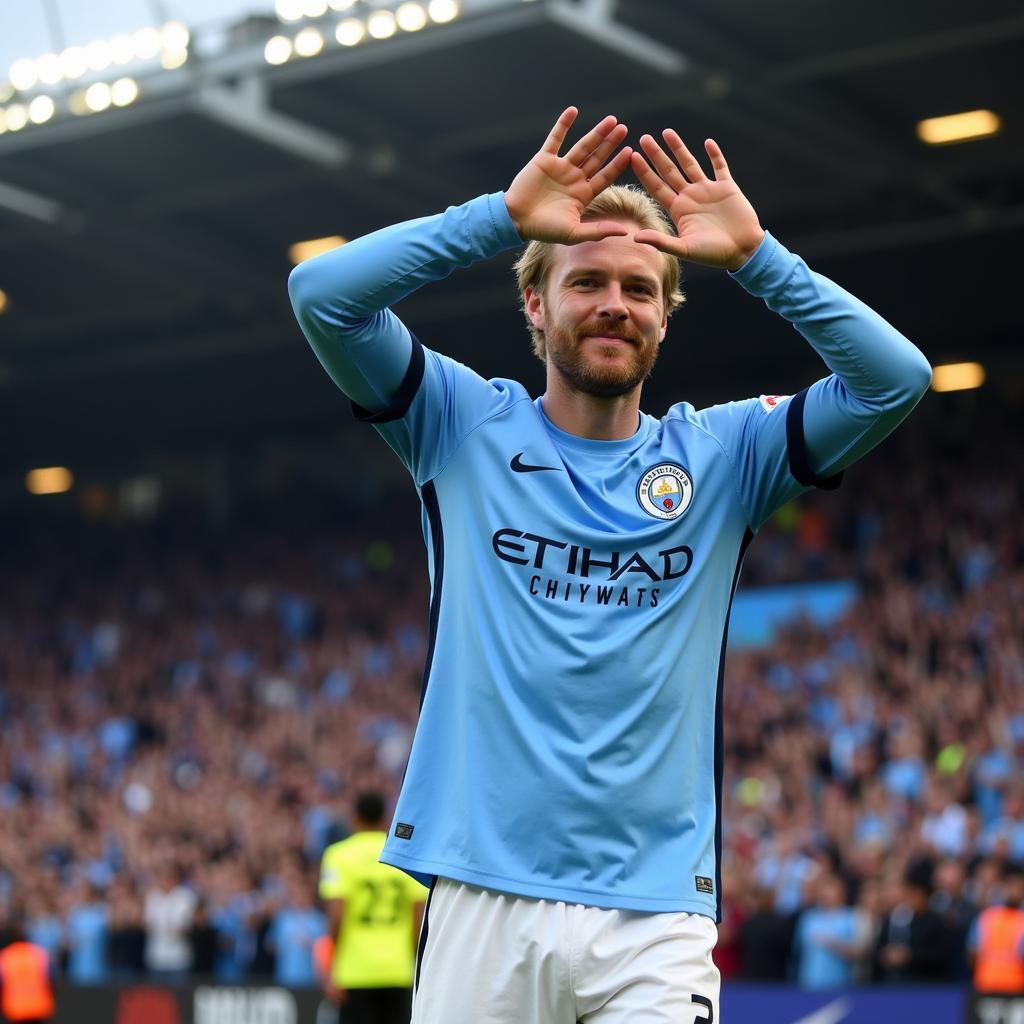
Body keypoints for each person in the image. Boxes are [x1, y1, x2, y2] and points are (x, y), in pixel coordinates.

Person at [289, 106, 931, 1023]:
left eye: (639, 288)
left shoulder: (725, 456)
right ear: (535, 302)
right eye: (584, 280)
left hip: (657, 914)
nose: (613, 305)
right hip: (481, 894)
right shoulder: (460, 427)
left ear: (667, 319)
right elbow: (322, 297)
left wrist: (760, 262)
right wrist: (499, 220)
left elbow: (894, 379)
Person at [318, 792, 427, 1024]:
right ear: (385, 817)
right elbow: (418, 917)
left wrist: (330, 967)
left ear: (354, 817)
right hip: (398, 970)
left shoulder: (339, 855)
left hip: (355, 972)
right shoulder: (402, 855)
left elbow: (337, 914)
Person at [967, 864, 1024, 993]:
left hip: (1016, 987)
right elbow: (972, 953)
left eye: (1019, 888)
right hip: (986, 984)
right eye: (1011, 886)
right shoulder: (986, 916)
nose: (1014, 891)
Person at [0, 924, 56, 1024]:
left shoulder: (5, 957)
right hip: (39, 1007)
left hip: (15, 1009)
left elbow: (2, 983)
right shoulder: (39, 953)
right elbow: (51, 979)